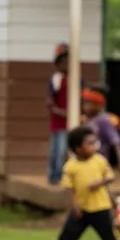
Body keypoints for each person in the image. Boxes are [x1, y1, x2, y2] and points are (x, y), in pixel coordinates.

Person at [45, 126, 120, 240]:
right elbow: (68, 188)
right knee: (69, 232)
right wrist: (73, 204)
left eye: (95, 143)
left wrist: (100, 184)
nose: (94, 146)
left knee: (107, 233)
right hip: (81, 207)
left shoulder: (99, 160)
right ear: (77, 148)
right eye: (89, 143)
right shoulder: (71, 166)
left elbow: (110, 177)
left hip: (100, 206)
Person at [82, 87, 120, 173]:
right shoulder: (86, 120)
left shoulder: (104, 120)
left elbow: (115, 141)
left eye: (89, 103)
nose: (85, 106)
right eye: (85, 103)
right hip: (85, 162)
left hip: (99, 162)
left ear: (99, 105)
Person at [46, 43, 70, 185]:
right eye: (63, 62)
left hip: (72, 121)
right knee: (57, 151)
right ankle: (55, 177)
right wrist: (59, 112)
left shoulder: (77, 79)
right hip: (59, 122)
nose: (66, 64)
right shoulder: (56, 79)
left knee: (66, 151)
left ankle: (64, 178)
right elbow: (50, 100)